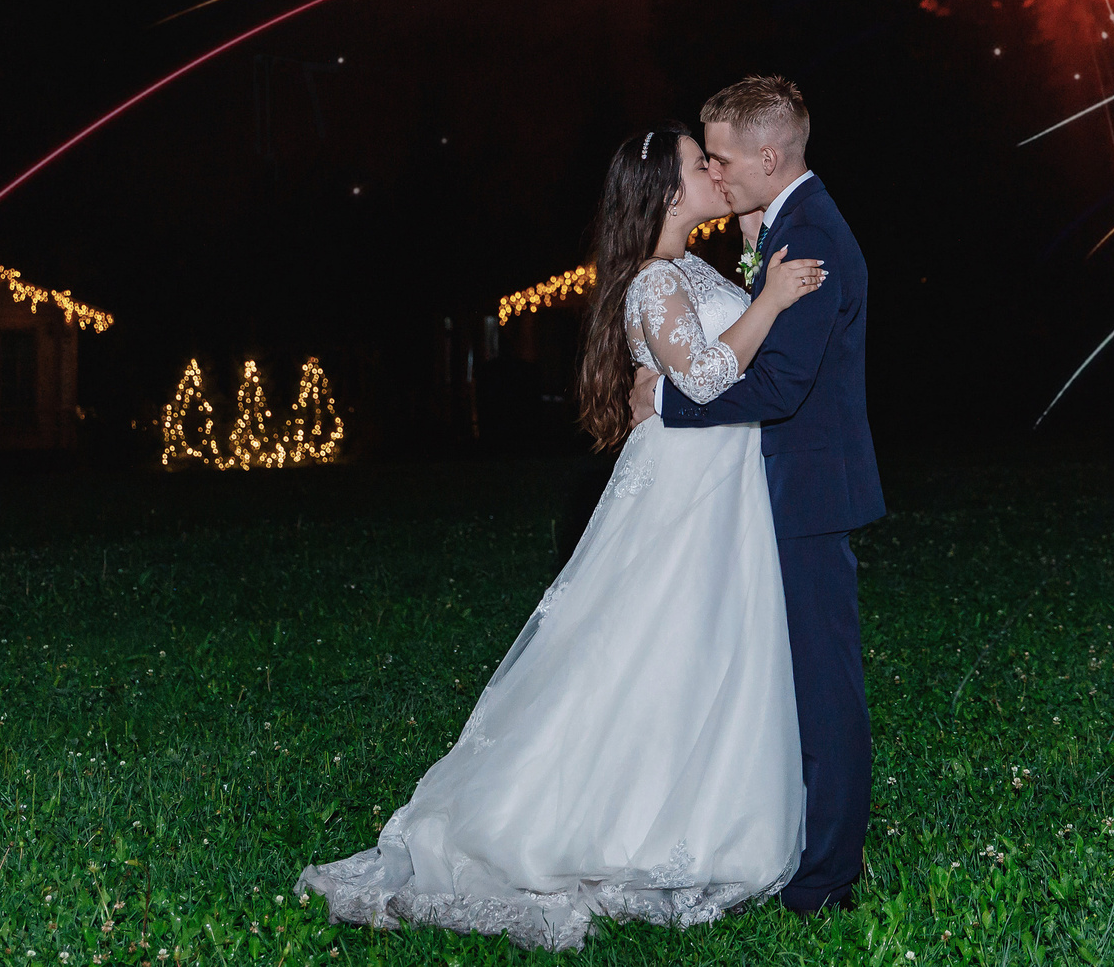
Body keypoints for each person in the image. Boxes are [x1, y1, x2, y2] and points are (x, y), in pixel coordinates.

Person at [297, 119, 827, 949]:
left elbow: (713, 367)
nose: (714, 172)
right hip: (686, 490)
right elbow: (708, 373)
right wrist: (768, 300)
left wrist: (757, 267)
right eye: (699, 163)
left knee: (707, 646)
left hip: (724, 486)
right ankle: (577, 823)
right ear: (663, 190)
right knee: (653, 645)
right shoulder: (653, 282)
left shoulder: (693, 266)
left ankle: (714, 808)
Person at [640, 74, 880, 915]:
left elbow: (779, 386)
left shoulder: (809, 231)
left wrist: (666, 402)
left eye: (723, 156)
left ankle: (826, 882)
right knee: (784, 681)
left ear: (770, 156)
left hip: (807, 490)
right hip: (780, 487)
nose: (714, 168)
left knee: (824, 689)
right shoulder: (781, 220)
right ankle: (787, 844)